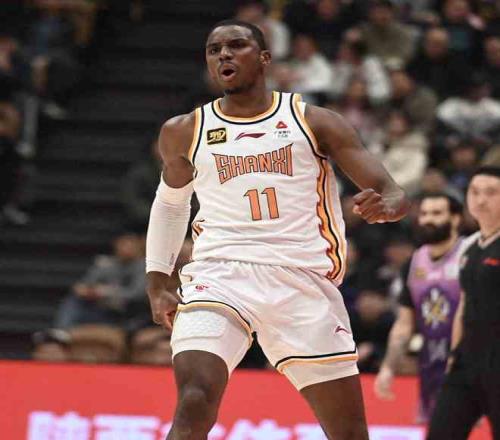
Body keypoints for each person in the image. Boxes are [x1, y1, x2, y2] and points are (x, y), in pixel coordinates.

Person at [145, 20, 410, 440]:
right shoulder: (184, 130)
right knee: (195, 399)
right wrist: (158, 282)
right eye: (214, 49)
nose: (224, 54)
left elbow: (391, 191)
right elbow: (170, 204)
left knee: (348, 433)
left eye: (237, 45)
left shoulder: (314, 121)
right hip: (219, 275)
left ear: (265, 58)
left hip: (301, 280)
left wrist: (389, 207)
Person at [374, 193, 464, 424]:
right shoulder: (414, 263)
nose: (428, 219)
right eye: (424, 214)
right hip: (431, 366)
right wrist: (388, 367)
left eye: (437, 213)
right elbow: (404, 324)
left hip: (471, 366)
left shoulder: (470, 255)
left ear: (455, 218)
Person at [427, 166, 500, 439]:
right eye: (475, 192)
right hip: (466, 361)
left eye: (491, 193)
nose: (481, 200)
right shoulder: (468, 246)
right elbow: (464, 306)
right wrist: (453, 356)